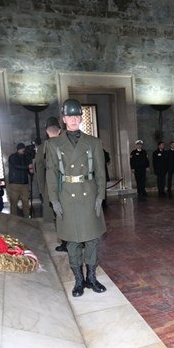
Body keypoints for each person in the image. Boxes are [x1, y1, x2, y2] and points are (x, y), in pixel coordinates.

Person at [46, 98, 107, 297]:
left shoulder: (93, 142)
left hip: (88, 195)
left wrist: (100, 196)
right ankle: (78, 281)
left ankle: (91, 277)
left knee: (92, 239)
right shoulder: (54, 144)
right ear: (64, 119)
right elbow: (51, 173)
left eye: (77, 115)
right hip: (67, 196)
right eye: (70, 116)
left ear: (81, 118)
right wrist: (54, 200)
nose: (74, 119)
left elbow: (100, 172)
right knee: (72, 241)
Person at [35, 117, 61, 222]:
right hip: (68, 185)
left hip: (49, 186)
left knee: (51, 218)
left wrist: (42, 190)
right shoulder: (67, 145)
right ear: (59, 130)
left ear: (46, 131)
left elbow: (40, 171)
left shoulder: (41, 148)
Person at [7, 142, 34, 217]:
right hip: (15, 183)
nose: (23, 150)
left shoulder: (26, 157)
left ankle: (27, 216)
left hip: (24, 183)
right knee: (14, 202)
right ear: (19, 149)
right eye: (22, 149)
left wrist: (31, 171)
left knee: (25, 201)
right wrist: (27, 167)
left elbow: (28, 169)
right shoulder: (12, 157)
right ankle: (14, 217)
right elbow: (16, 166)